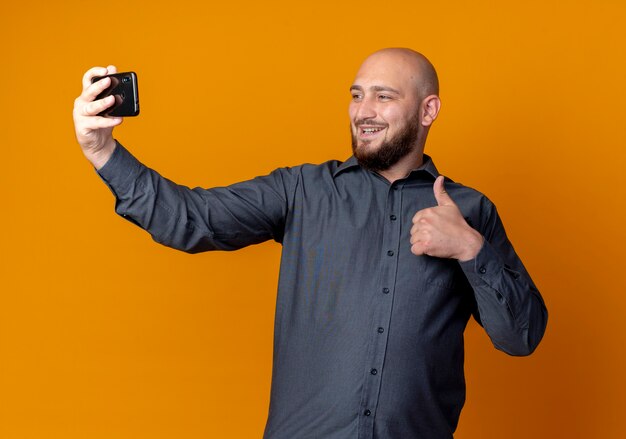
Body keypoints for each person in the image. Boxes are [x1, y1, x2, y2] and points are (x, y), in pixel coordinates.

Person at [73, 48, 548, 439]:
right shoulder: (302, 191)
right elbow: (190, 219)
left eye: (383, 97)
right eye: (357, 96)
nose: (364, 111)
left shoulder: (469, 211)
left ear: (428, 110)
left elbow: (521, 337)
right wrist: (103, 151)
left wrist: (470, 248)